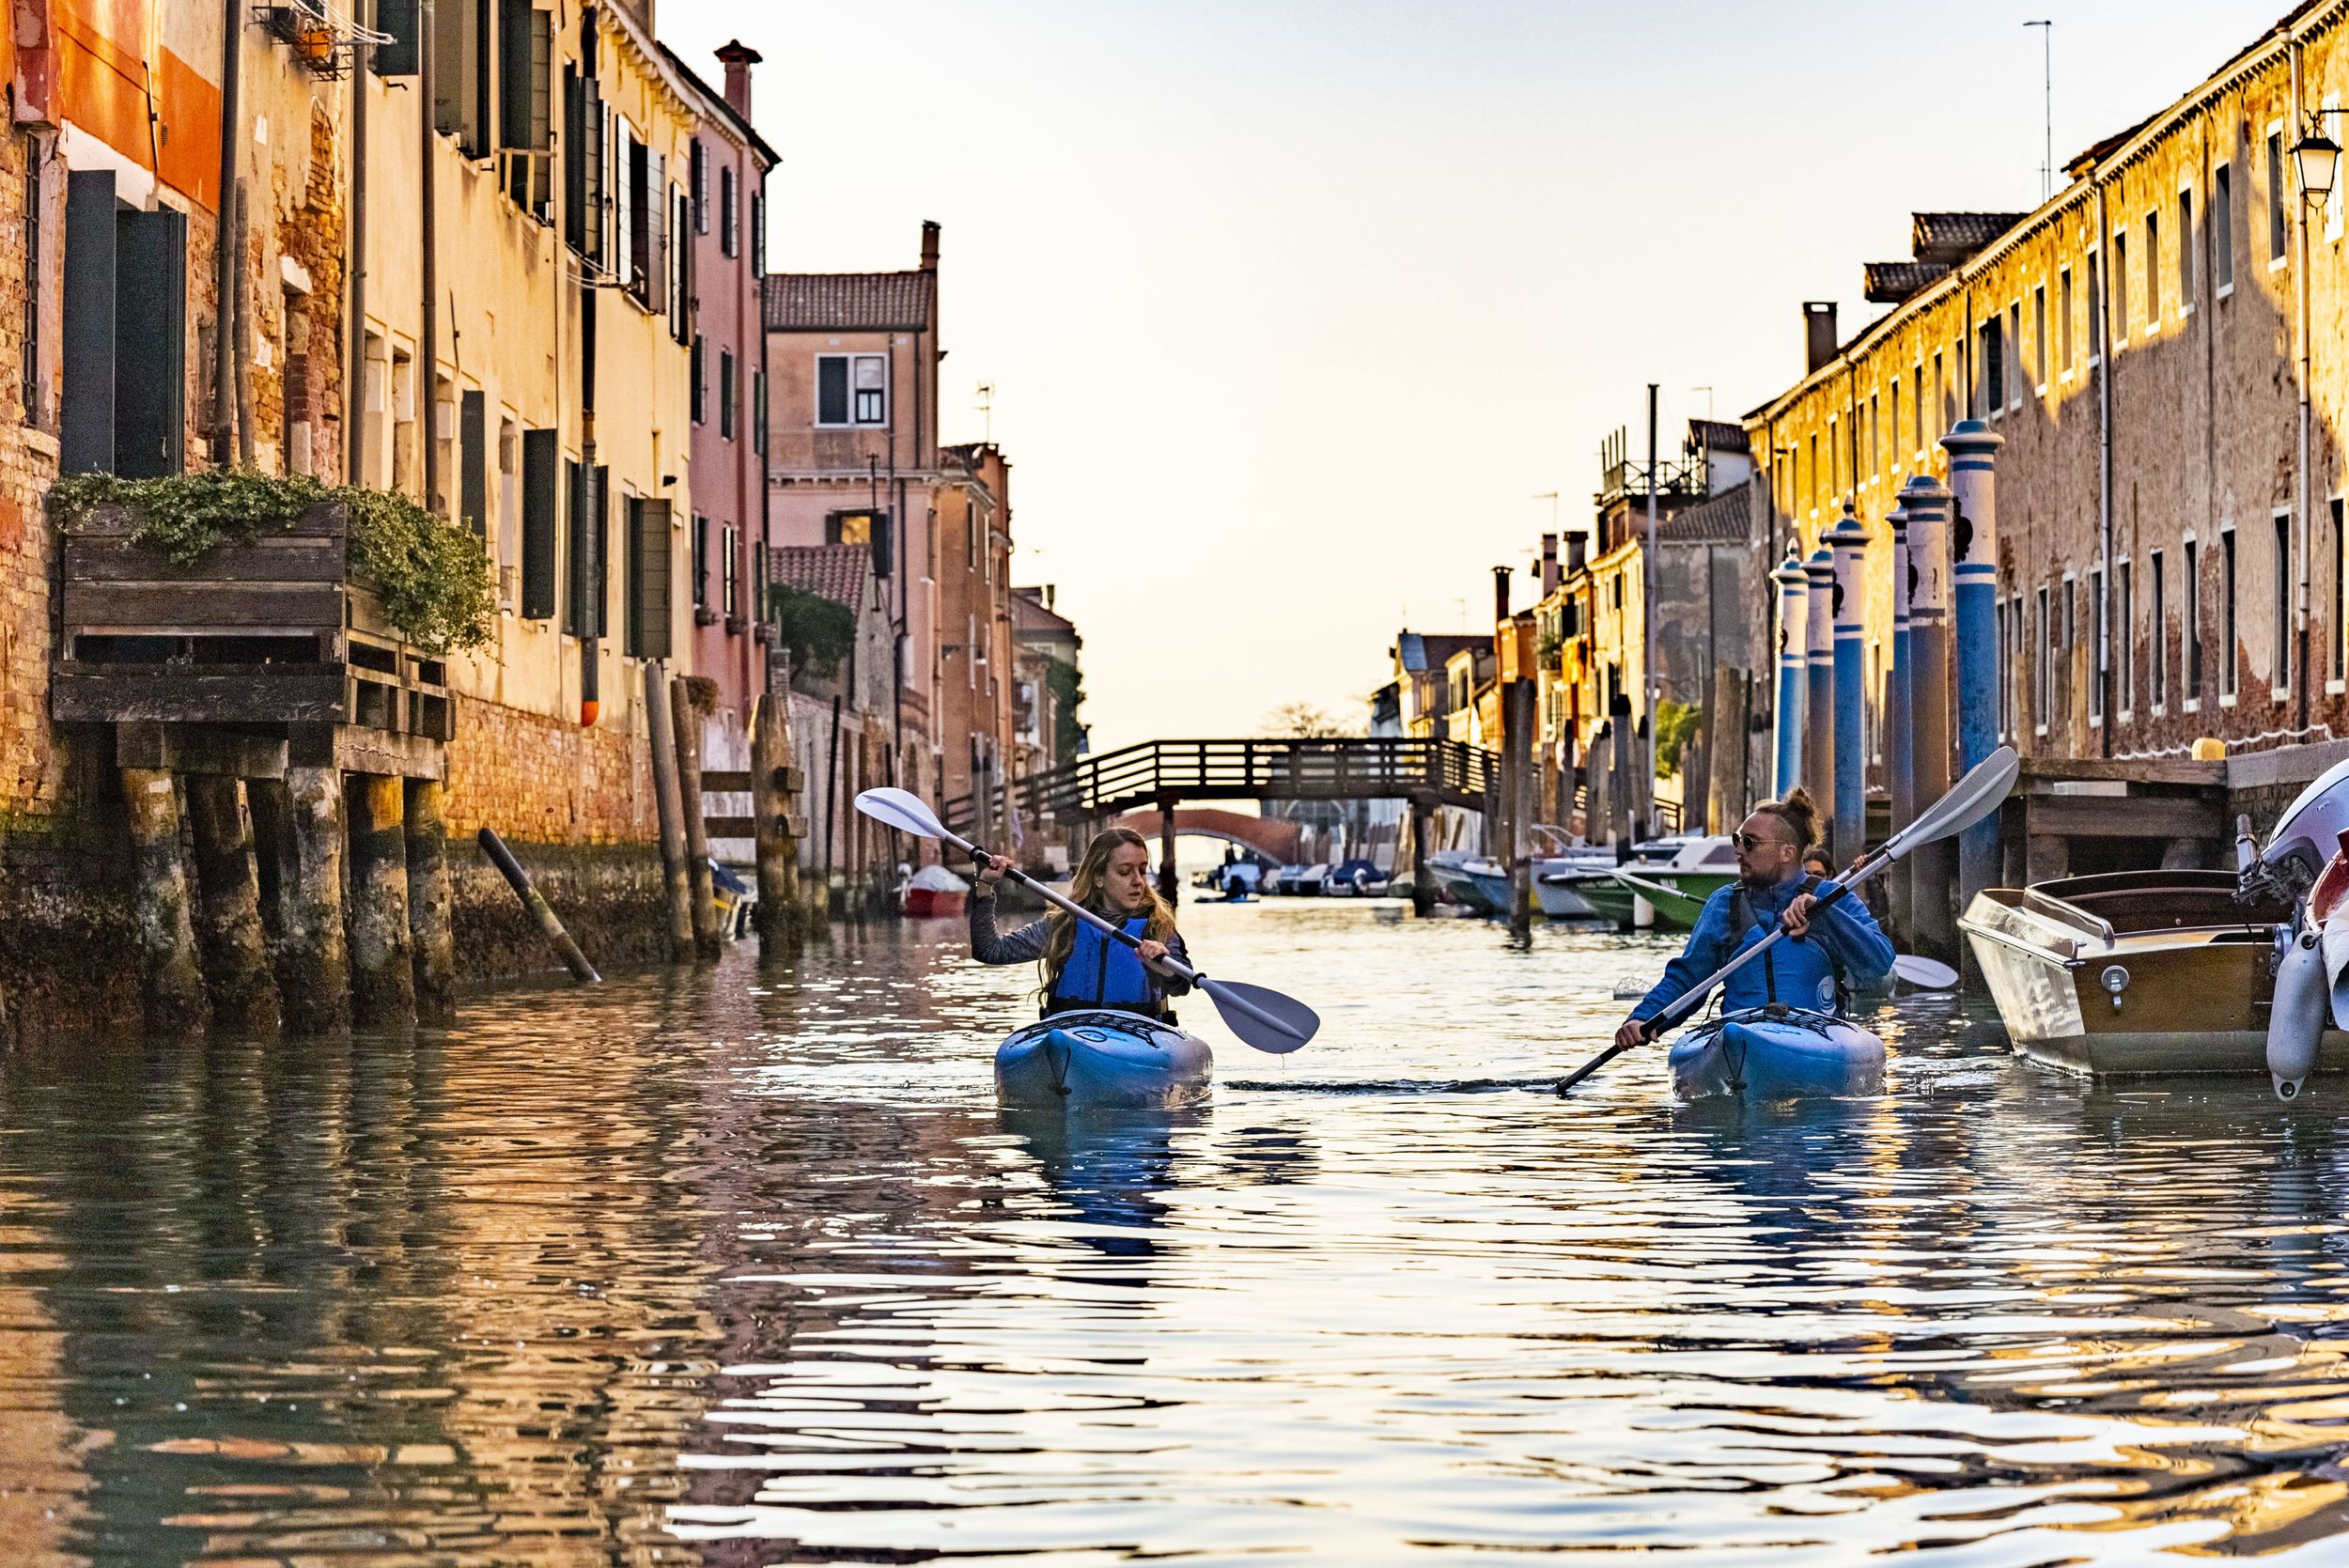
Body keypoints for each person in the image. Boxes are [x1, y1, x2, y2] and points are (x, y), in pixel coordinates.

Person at [1612, 788, 1892, 1053]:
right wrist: (1642, 1018)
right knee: (1730, 1032)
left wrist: (1825, 914)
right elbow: (1687, 979)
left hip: (1817, 1033)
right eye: (1737, 840)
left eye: (1750, 843)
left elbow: (1879, 962)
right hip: (1740, 1032)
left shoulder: (1831, 898)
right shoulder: (1724, 904)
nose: (1738, 851)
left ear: (1787, 852)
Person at [970, 827, 1193, 1018]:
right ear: (1098, 878)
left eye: (1142, 871)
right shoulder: (1065, 925)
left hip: (1138, 1035)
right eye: (1125, 872)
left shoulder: (1157, 926)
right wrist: (984, 886)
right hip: (1072, 1032)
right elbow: (989, 951)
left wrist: (1165, 968)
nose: (1138, 881)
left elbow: (1182, 985)